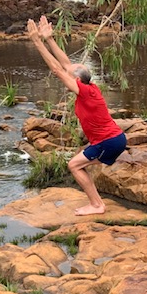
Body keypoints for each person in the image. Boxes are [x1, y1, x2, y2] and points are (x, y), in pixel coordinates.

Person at [27, 15, 127, 216]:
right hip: (114, 139)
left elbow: (57, 69)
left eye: (71, 72)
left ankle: (97, 205)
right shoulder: (90, 86)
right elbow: (64, 65)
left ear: (76, 80)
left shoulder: (84, 91)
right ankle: (96, 202)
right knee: (81, 164)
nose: (68, 69)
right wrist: (50, 39)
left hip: (108, 141)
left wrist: (37, 41)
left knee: (74, 165)